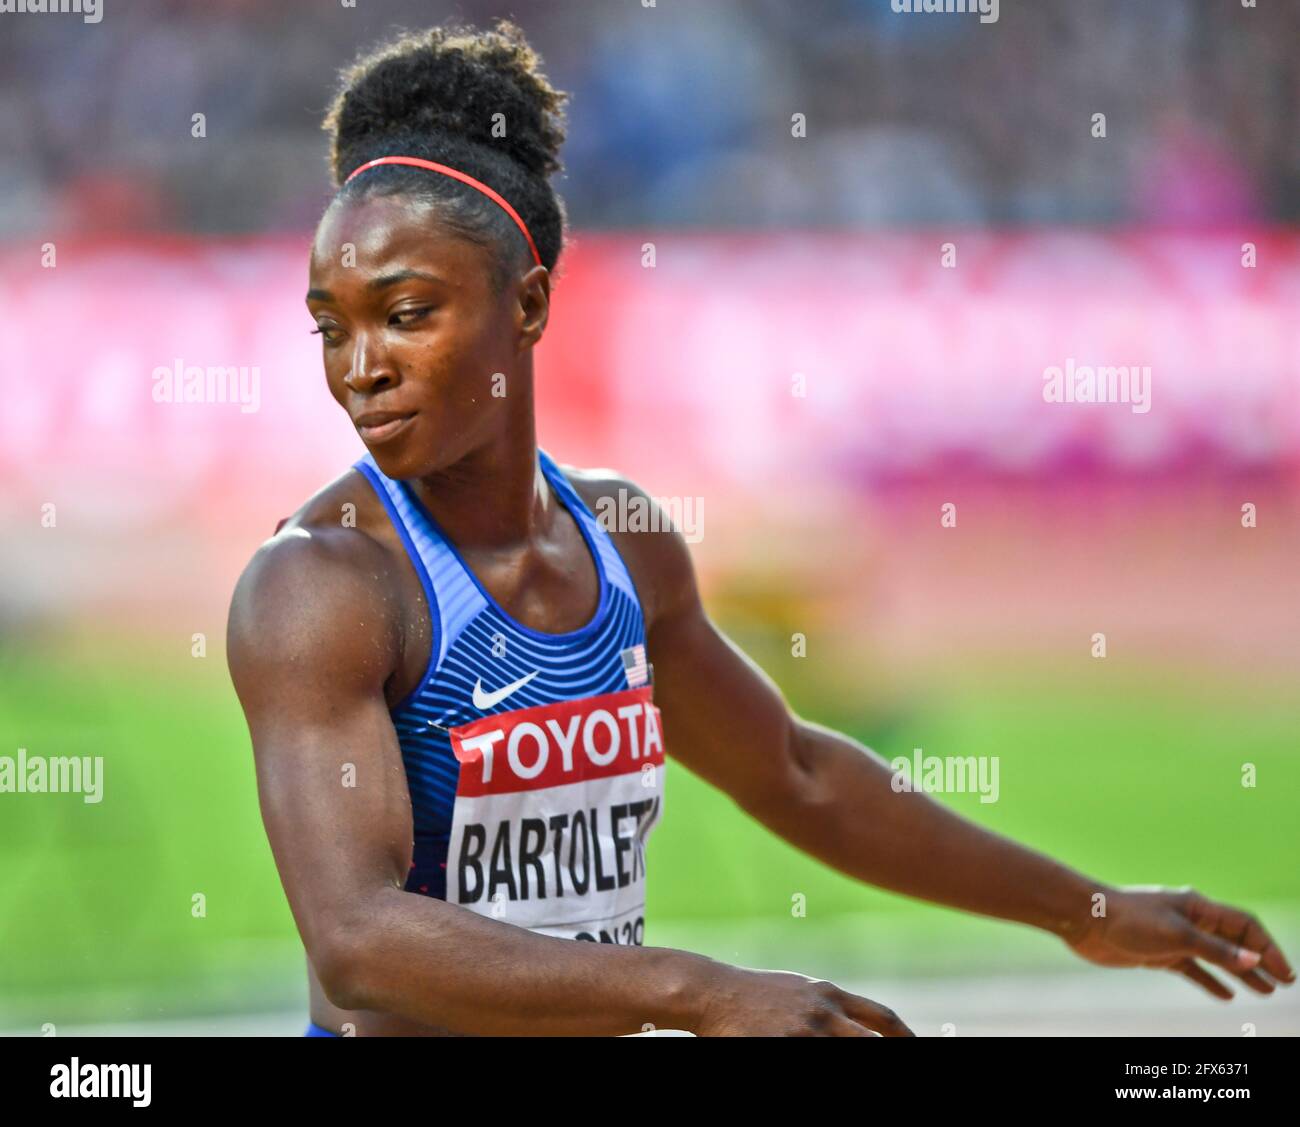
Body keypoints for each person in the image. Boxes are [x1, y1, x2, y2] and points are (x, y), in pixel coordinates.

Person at [226, 19, 1294, 1037]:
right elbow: (357, 936)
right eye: (333, 326)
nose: (360, 368)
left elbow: (796, 770)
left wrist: (1089, 911)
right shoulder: (323, 585)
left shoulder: (623, 539)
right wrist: (699, 992)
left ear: (529, 305)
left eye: (407, 314)